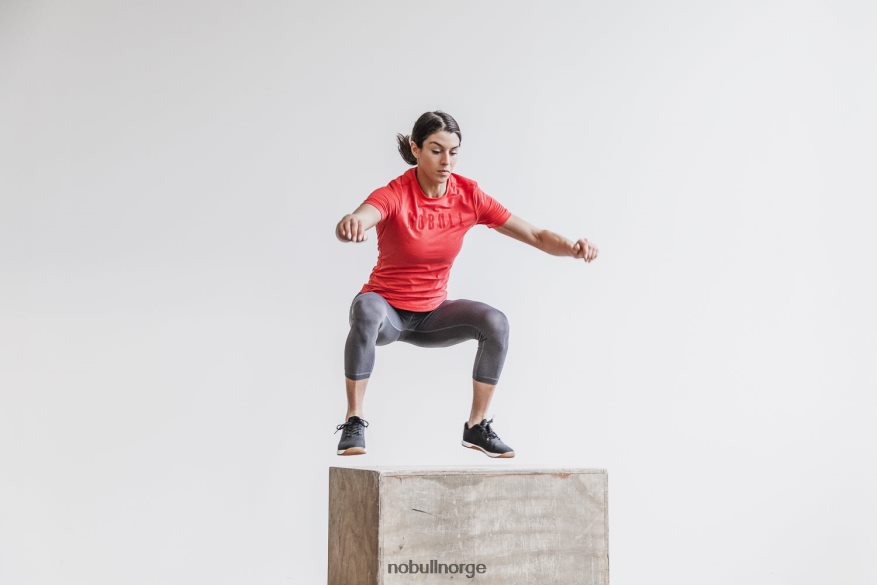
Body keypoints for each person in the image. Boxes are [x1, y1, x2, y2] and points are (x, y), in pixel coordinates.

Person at [334, 111, 599, 458]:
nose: (446, 161)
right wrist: (352, 222)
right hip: (388, 315)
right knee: (366, 308)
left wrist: (571, 248)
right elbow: (366, 213)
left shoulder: (468, 195)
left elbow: (535, 234)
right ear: (415, 149)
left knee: (495, 321)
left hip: (433, 315)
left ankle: (477, 426)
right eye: (436, 150)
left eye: (453, 152)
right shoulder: (396, 193)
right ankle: (354, 420)